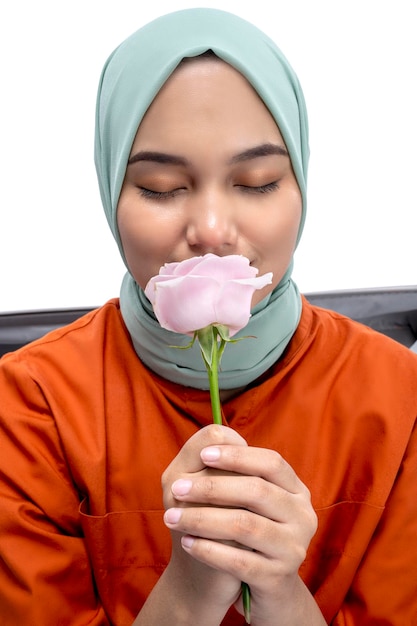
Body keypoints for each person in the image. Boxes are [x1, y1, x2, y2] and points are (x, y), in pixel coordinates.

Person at [0, 8, 416, 625]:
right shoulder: (31, 403)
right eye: (162, 187)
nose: (214, 232)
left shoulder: (397, 394)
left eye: (256, 182)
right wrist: (191, 587)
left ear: (300, 182)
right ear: (109, 190)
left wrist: (278, 591)